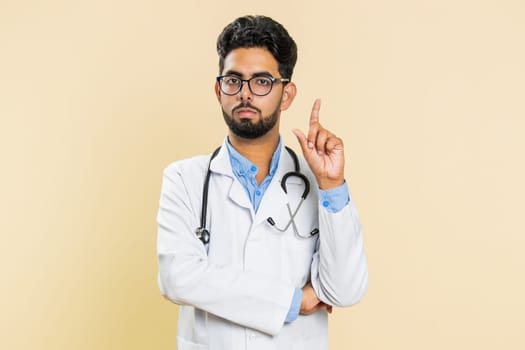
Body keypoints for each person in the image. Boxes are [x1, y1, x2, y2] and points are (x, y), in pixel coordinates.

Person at [157, 15, 368, 350]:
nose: (245, 94)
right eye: (233, 81)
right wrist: (293, 301)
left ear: (286, 94)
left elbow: (345, 289)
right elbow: (177, 278)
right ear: (219, 90)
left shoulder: (319, 185)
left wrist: (332, 184)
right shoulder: (185, 179)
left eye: (262, 82)